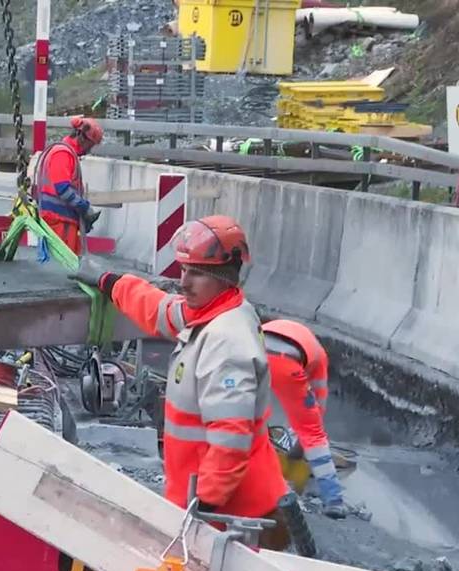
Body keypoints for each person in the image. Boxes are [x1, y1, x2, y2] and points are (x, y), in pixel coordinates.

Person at [72, 215, 292, 544]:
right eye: (184, 270)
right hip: (214, 507)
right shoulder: (212, 311)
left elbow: (230, 440)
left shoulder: (227, 343)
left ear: (226, 278)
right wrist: (111, 282)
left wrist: (200, 508)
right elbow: (160, 309)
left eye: (197, 273)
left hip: (231, 519)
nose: (184, 282)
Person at [261, 319, 347, 519]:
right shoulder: (319, 359)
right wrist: (299, 450)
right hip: (286, 361)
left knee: (243, 419)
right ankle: (334, 501)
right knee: (313, 433)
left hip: (251, 352)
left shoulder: (289, 329)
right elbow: (319, 411)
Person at [33, 115, 103, 255]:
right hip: (58, 221)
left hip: (61, 221)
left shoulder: (65, 153)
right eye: (91, 144)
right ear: (82, 137)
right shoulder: (63, 154)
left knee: (68, 265)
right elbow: (63, 189)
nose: (90, 150)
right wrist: (85, 208)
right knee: (63, 269)